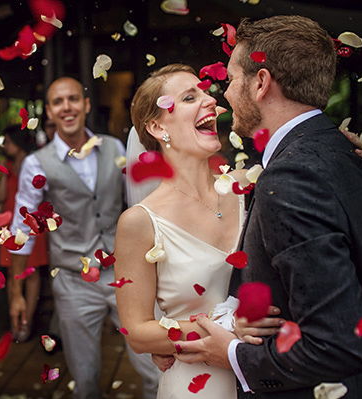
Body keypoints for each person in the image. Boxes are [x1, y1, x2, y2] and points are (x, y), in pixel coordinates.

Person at [173, 15, 362, 399]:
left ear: (260, 83)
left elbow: (336, 343)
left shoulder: (292, 178)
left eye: (233, 78)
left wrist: (233, 355)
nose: (224, 93)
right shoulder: (345, 153)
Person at [114, 63, 288, 398]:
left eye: (207, 93)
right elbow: (137, 332)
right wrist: (227, 328)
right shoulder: (139, 221)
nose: (212, 102)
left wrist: (353, 159)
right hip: (197, 386)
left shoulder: (250, 184)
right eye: (190, 97)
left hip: (270, 378)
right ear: (156, 126)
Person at [7, 76, 160, 399]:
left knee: (153, 365)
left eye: (73, 99)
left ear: (86, 105)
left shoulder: (114, 148)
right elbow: (23, 231)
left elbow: (138, 202)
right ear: (49, 111)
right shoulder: (37, 163)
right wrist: (16, 290)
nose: (67, 107)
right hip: (74, 282)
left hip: (124, 275)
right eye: (58, 102)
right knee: (86, 377)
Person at [0, 124, 49, 342]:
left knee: (32, 272)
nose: (5, 146)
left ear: (17, 143)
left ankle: (28, 319)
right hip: (10, 223)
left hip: (32, 223)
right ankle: (16, 319)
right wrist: (1, 173)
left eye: (7, 141)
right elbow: (0, 197)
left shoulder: (37, 164)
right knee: (12, 271)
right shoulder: (7, 166)